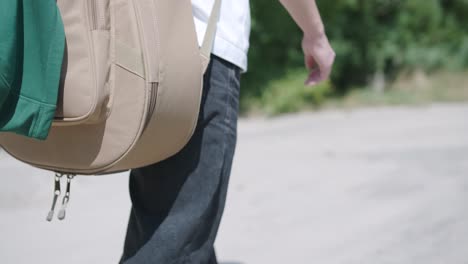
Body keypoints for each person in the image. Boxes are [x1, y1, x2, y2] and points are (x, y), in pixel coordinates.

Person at [120, 0, 335, 263]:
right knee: (175, 239)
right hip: (203, 56)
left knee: (169, 221)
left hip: (145, 50)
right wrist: (316, 35)